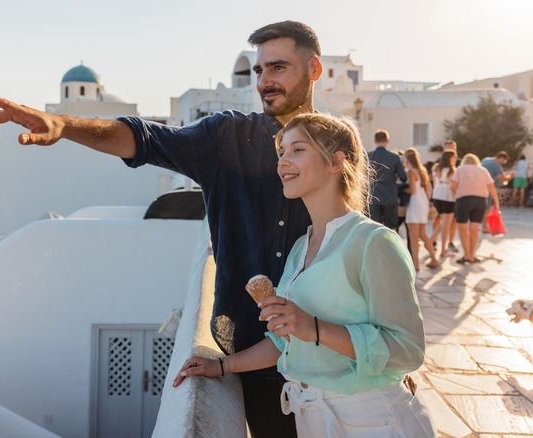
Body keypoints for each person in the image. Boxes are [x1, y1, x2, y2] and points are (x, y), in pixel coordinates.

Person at [0, 20, 326, 437]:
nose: (265, 82)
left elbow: (361, 244)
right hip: (256, 358)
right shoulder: (226, 138)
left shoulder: (339, 149)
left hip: (329, 354)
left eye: (279, 68)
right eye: (259, 71)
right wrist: (64, 127)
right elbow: (142, 139)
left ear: (314, 70)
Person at [173, 113, 435, 437]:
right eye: (281, 152)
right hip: (311, 416)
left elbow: (408, 350)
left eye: (297, 149)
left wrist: (314, 327)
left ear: (335, 162)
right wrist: (223, 366)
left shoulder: (373, 242)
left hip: (372, 417)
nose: (283, 161)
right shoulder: (301, 246)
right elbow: (285, 340)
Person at [451, 154, 500, 264]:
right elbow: (492, 187)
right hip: (480, 201)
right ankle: (472, 255)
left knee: (462, 229)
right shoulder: (483, 170)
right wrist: (496, 203)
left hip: (463, 200)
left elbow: (453, 186)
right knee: (474, 229)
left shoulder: (460, 169)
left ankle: (466, 255)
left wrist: (456, 194)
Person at [404, 148, 440, 271]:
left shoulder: (410, 171)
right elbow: (429, 189)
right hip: (423, 202)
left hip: (415, 203)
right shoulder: (423, 170)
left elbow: (412, 190)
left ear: (408, 159)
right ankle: (434, 259)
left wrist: (401, 189)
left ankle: (415, 264)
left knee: (413, 236)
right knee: (422, 233)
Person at [368, 130, 407, 229]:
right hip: (390, 197)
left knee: (374, 228)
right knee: (391, 228)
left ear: (374, 141)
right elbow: (403, 177)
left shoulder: (368, 156)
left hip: (374, 197)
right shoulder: (394, 157)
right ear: (387, 141)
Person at [430, 150, 457, 258]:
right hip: (448, 197)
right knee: (446, 223)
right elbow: (452, 186)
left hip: (437, 196)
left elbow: (435, 182)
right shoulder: (451, 170)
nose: (456, 159)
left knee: (445, 223)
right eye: (454, 157)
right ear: (450, 158)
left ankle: (442, 248)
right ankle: (432, 241)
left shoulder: (437, 168)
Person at [481, 151, 513, 232]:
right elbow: (503, 179)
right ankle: (484, 227)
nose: (505, 162)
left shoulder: (486, 159)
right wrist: (512, 175)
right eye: (505, 160)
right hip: (487, 187)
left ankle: (475, 225)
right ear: (502, 158)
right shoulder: (496, 165)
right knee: (486, 208)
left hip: (477, 185)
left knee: (479, 206)